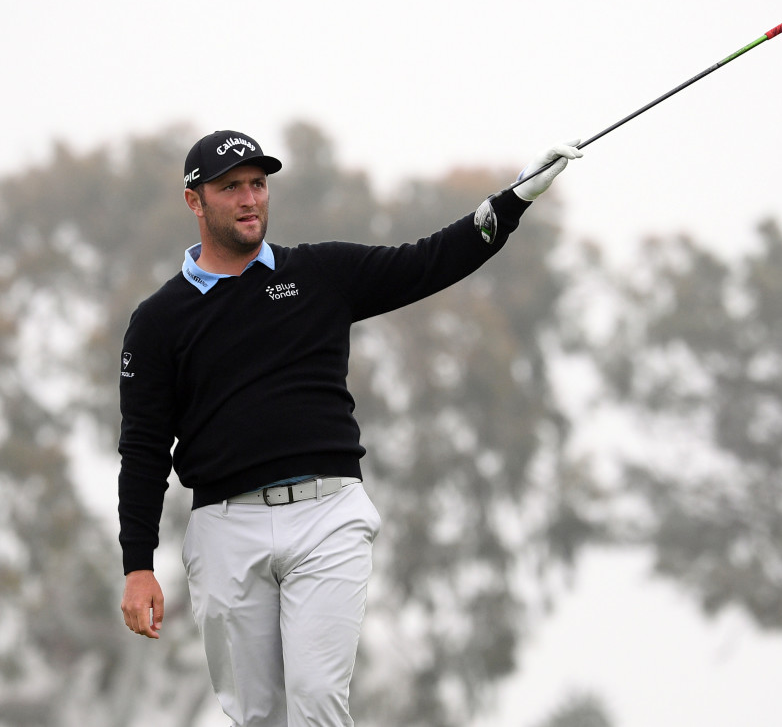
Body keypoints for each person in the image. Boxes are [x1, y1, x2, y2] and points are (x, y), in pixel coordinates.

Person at [118, 129, 581, 726]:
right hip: (224, 529)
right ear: (194, 201)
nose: (249, 198)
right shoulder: (159, 321)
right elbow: (145, 448)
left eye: (257, 184)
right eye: (230, 187)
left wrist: (514, 200)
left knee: (316, 702)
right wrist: (137, 565)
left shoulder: (319, 273)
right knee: (256, 715)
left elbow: (426, 262)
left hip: (327, 516)